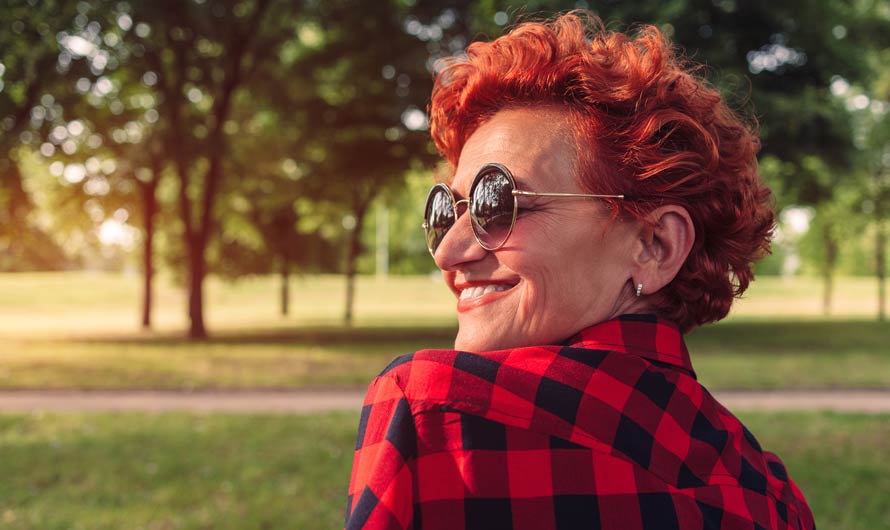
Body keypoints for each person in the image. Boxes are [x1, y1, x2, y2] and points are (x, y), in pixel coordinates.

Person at [345, 11, 814, 530]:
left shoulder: (434, 414)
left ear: (656, 245)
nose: (448, 252)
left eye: (498, 203)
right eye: (446, 210)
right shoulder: (774, 496)